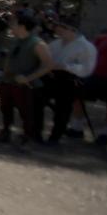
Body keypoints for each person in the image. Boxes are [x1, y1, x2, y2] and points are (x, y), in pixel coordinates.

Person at [0, 12, 53, 144]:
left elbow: (48, 65)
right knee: (5, 108)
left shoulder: (38, 43)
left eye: (14, 23)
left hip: (26, 85)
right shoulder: (15, 41)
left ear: (22, 26)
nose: (11, 26)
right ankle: (6, 131)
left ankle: (28, 137)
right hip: (8, 81)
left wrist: (28, 78)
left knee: (27, 112)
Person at [68, 14, 107, 146]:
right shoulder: (102, 39)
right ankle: (77, 127)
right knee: (78, 97)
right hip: (95, 76)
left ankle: (106, 133)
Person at [41, 16, 96, 145]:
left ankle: (55, 136)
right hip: (51, 76)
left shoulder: (86, 47)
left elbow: (87, 69)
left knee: (63, 108)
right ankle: (34, 130)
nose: (56, 29)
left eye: (60, 26)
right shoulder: (56, 43)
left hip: (70, 80)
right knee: (36, 98)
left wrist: (67, 67)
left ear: (70, 29)